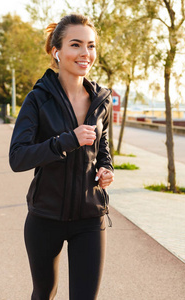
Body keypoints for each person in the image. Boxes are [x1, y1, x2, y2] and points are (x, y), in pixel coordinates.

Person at [9, 14, 115, 300]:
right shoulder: (38, 99)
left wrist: (106, 168)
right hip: (45, 217)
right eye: (76, 45)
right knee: (45, 293)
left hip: (90, 217)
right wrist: (67, 141)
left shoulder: (101, 101)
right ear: (57, 51)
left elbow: (102, 146)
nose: (85, 54)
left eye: (91, 46)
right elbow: (17, 158)